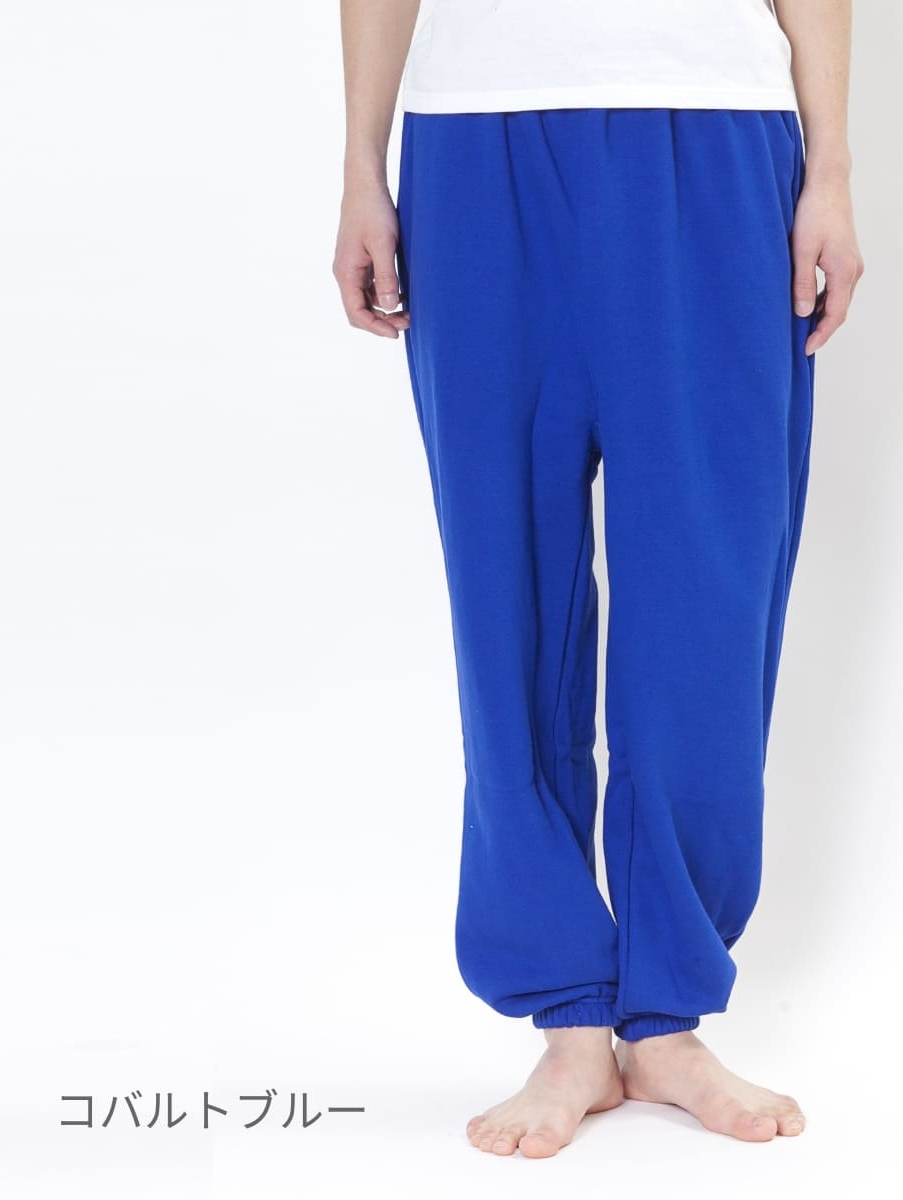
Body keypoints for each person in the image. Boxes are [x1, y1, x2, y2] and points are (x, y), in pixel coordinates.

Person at [333, 0, 863, 1159]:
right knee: (503, 584)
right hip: (476, 132)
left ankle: (667, 1019)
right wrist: (363, 166)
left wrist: (829, 168)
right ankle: (570, 1019)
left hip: (715, 126)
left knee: (708, 587)